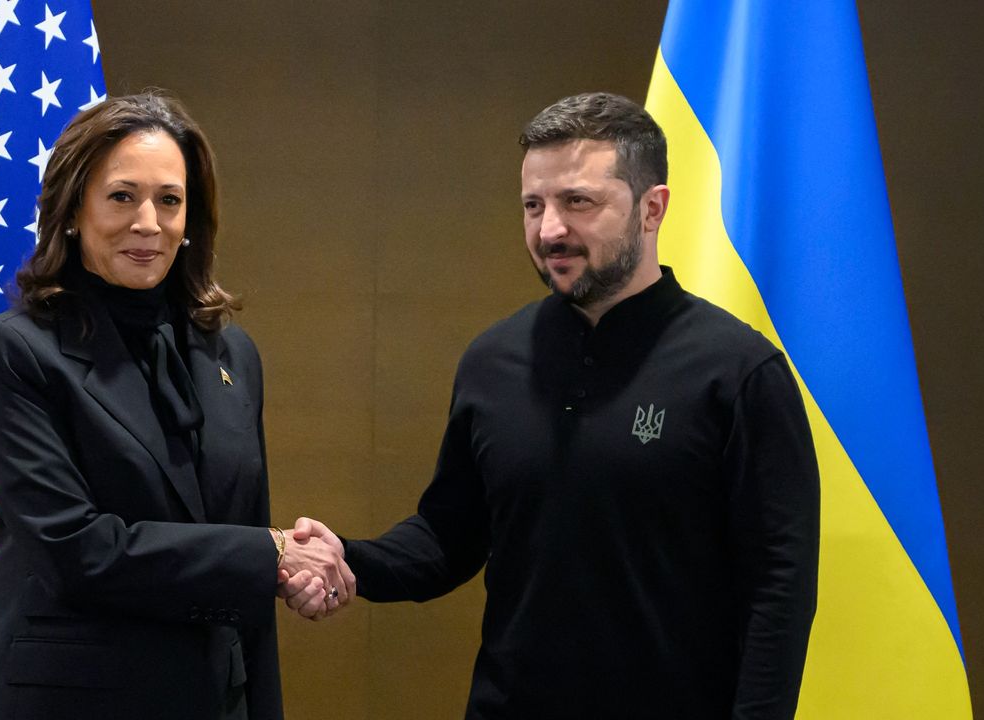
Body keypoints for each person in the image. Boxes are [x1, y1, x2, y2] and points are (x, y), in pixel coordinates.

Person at [284, 92, 819, 718]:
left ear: (654, 208)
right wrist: (346, 559)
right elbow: (448, 537)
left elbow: (779, 588)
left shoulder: (739, 371)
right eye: (533, 205)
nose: (550, 230)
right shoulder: (492, 360)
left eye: (578, 202)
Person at [0, 90, 353, 720]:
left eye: (170, 200)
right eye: (122, 196)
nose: (148, 223)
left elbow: (243, 541)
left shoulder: (231, 355)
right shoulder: (10, 352)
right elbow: (76, 551)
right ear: (73, 209)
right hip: (61, 703)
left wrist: (280, 576)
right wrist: (269, 556)